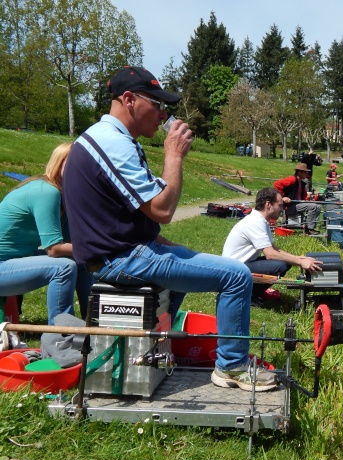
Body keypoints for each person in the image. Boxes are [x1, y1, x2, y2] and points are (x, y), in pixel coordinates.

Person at [62, 66, 277, 392]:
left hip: (116, 254)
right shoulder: (113, 142)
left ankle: (157, 350)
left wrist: (170, 246)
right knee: (237, 275)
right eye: (157, 104)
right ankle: (231, 366)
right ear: (130, 100)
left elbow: (126, 218)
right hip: (120, 260)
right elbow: (162, 209)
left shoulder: (107, 139)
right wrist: (174, 155)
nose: (163, 114)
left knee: (182, 269)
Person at [0, 143, 93, 325]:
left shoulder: (63, 195)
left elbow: (70, 243)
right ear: (58, 163)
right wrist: (99, 247)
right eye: (73, 163)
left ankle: (93, 323)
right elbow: (54, 248)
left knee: (81, 261)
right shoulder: (47, 192)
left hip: (13, 259)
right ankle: (61, 333)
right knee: (63, 267)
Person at [223, 188, 323, 305]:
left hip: (242, 264)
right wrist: (300, 262)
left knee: (286, 262)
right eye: (280, 206)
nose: (282, 209)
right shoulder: (255, 222)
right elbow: (270, 254)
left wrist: (299, 258)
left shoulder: (261, 220)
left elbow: (275, 249)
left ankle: (253, 292)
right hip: (233, 270)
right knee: (280, 266)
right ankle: (247, 296)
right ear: (268, 205)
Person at [274, 163, 322, 235]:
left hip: (298, 203)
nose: (307, 174)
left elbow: (304, 196)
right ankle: (309, 229)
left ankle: (310, 227)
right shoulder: (292, 179)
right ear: (299, 172)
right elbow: (277, 184)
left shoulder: (301, 183)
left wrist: (308, 199)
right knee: (313, 206)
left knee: (318, 206)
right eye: (305, 172)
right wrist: (282, 197)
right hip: (291, 206)